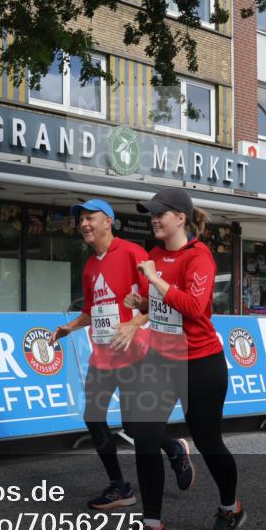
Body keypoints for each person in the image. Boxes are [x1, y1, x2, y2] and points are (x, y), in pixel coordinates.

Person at [114, 188, 241, 530]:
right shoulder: (154, 254)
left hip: (201, 362)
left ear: (181, 218)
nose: (153, 218)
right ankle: (152, 526)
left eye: (160, 213)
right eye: (151, 213)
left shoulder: (198, 256)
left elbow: (196, 308)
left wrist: (155, 282)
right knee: (145, 435)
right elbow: (162, 309)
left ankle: (230, 507)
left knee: (208, 441)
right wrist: (141, 305)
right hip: (163, 357)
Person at [51, 199, 193, 511]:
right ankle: (119, 486)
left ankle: (174, 449)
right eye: (81, 220)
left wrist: (134, 323)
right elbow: (91, 311)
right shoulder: (90, 266)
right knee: (93, 417)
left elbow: (158, 301)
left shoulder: (132, 253)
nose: (84, 225)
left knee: (134, 426)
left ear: (108, 222)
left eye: (90, 218)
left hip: (135, 353)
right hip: (102, 356)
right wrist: (69, 327)